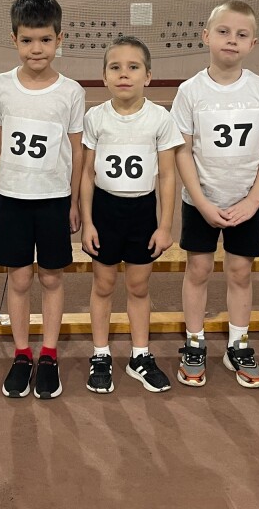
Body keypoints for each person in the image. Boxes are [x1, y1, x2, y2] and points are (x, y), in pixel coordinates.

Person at [171, 0, 259, 388]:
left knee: (240, 271)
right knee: (198, 270)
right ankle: (194, 342)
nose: (231, 40)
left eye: (241, 34)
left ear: (253, 43)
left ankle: (238, 344)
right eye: (223, 31)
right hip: (200, 202)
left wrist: (253, 200)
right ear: (206, 36)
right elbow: (182, 150)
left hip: (245, 203)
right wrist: (202, 202)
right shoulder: (190, 91)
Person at [0, 0, 85, 399]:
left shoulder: (71, 91)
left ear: (59, 39)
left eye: (44, 39)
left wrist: (74, 202)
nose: (36, 49)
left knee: (52, 277)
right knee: (20, 278)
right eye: (27, 40)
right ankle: (22, 353)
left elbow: (76, 151)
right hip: (12, 199)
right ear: (14, 39)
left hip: (54, 198)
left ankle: (49, 355)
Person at [80, 37, 183, 394]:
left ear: (148, 76)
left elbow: (167, 176)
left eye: (133, 67)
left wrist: (165, 225)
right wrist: (87, 222)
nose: (124, 74)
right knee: (103, 285)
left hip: (142, 212)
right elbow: (86, 174)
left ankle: (140, 355)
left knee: (139, 287)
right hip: (105, 211)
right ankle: (100, 354)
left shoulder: (160, 118)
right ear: (104, 77)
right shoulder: (95, 118)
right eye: (115, 67)